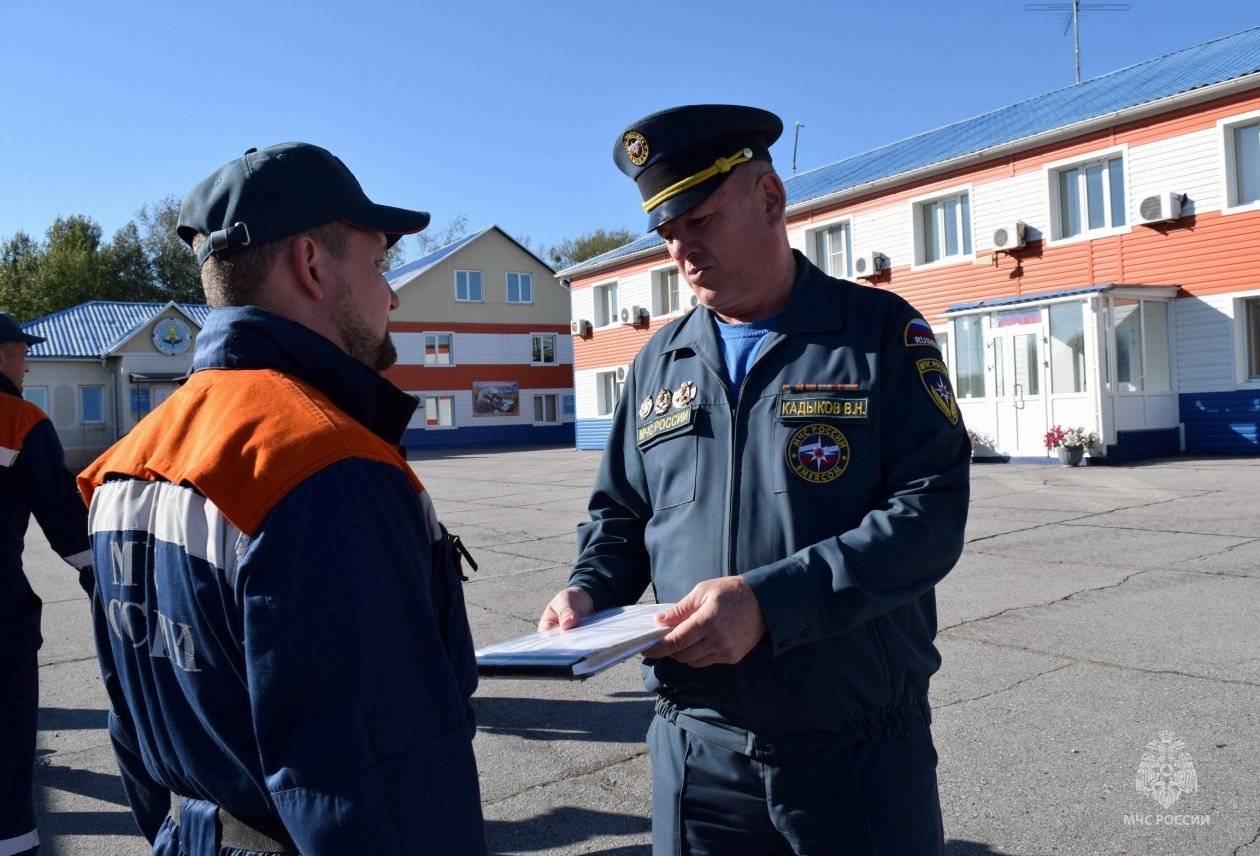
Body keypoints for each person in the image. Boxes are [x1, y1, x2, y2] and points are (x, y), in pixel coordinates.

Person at [539, 105, 971, 855]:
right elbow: (621, 516)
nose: (682, 250)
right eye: (668, 234)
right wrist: (588, 589)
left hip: (852, 747)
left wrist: (771, 603)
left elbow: (929, 517)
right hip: (695, 750)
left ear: (770, 198)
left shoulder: (877, 335)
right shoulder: (657, 361)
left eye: (699, 220)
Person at [78, 143, 486, 855]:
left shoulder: (128, 461)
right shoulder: (324, 467)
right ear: (312, 264)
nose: (390, 295)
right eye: (379, 264)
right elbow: (383, 787)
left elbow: (129, 727)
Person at [0, 313, 93, 856]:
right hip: (1, 622)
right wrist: (100, 581)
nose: (26, 362)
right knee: (8, 745)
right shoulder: (18, 420)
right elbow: (64, 520)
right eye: (19, 352)